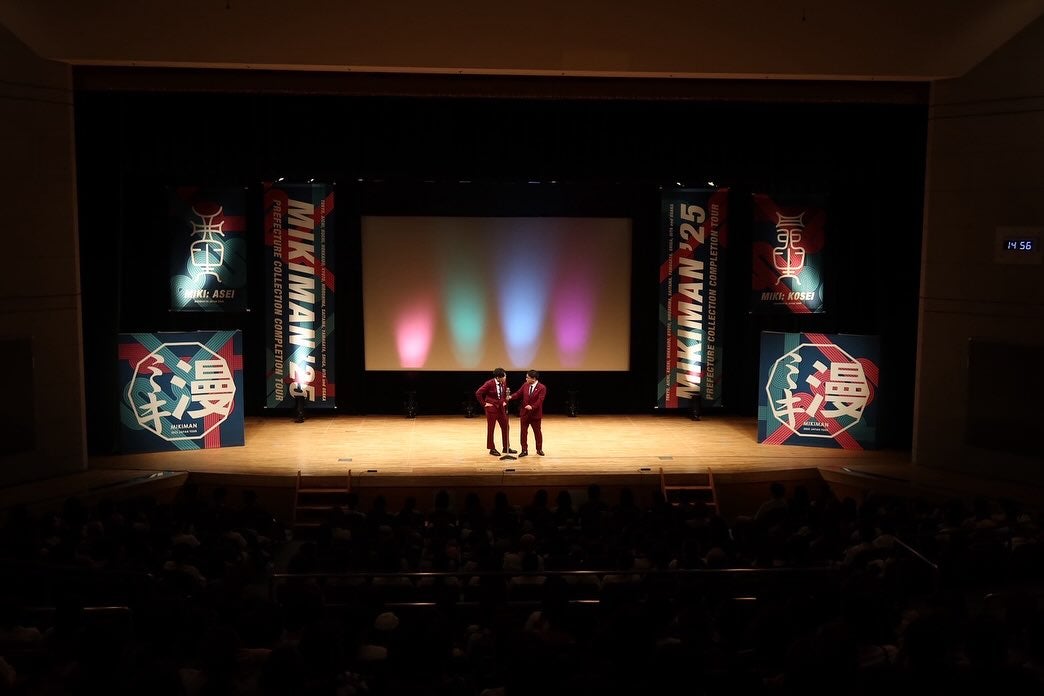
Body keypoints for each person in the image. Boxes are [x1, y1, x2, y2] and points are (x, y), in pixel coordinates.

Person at [475, 367, 517, 456]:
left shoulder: (504, 382)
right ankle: (492, 448)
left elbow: (504, 393)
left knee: (506, 426)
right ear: (498, 377)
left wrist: (504, 402)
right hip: (492, 409)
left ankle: (506, 447)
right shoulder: (489, 383)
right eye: (504, 376)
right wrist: (484, 404)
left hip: (501, 408)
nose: (505, 378)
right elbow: (478, 393)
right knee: (491, 428)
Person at [510, 369, 546, 456]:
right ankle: (524, 450)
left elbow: (540, 400)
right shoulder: (525, 385)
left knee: (537, 432)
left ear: (533, 379)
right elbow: (518, 393)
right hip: (524, 413)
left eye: (527, 377)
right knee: (523, 433)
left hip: (535, 414)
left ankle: (539, 449)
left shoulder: (542, 387)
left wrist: (532, 407)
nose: (526, 379)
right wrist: (510, 397)